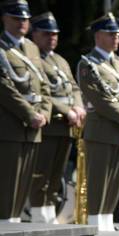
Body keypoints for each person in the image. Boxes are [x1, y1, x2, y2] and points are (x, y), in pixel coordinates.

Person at [77, 12, 119, 232]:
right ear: (98, 36)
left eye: (118, 34)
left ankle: (107, 218)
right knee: (99, 178)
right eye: (111, 34)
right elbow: (99, 100)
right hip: (102, 129)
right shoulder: (88, 64)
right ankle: (95, 220)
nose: (117, 38)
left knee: (114, 179)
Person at [28, 11, 86, 224]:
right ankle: (37, 211)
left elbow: (73, 87)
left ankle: (49, 210)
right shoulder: (33, 59)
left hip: (66, 126)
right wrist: (66, 109)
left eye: (54, 34)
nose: (52, 37)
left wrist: (79, 107)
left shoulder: (60, 60)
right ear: (35, 35)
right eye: (46, 34)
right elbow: (43, 94)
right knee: (41, 172)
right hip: (50, 124)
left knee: (57, 173)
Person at [0, 0, 52, 223]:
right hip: (10, 125)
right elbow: (4, 86)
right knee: (8, 182)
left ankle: (15, 223)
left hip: (35, 125)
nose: (22, 23)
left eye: (25, 19)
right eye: (16, 18)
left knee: (24, 182)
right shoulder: (2, 46)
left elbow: (44, 85)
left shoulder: (31, 48)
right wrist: (29, 114)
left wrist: (45, 114)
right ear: (4, 18)